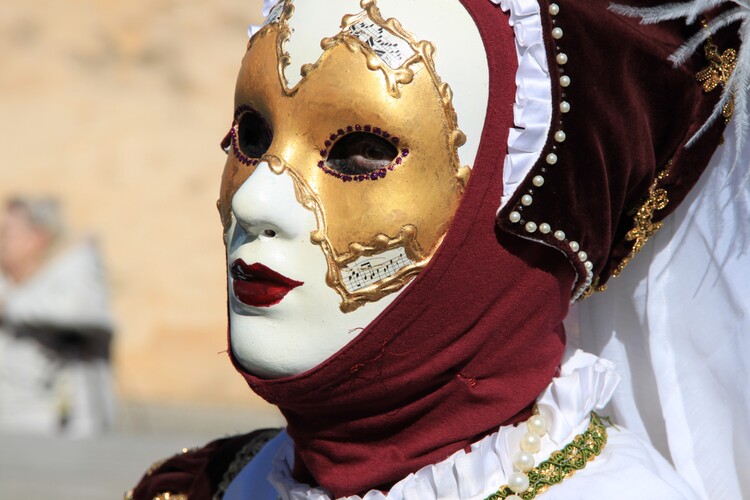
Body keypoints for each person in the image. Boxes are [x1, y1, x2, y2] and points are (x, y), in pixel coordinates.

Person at [129, 0, 748, 498]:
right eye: (252, 134)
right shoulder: (203, 488)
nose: (254, 201)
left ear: (519, 212)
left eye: (363, 149)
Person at [0, 197, 115, 436]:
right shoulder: (8, 283)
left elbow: (76, 309)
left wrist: (10, 306)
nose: (2, 241)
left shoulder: (76, 275)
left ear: (38, 237)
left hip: (62, 440)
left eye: (7, 233)